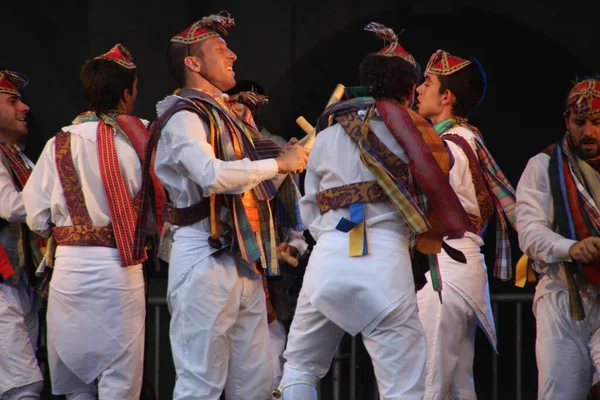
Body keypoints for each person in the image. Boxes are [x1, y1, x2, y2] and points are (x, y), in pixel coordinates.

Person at [276, 23, 471, 400]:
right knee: (404, 389)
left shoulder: (330, 133)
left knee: (299, 367)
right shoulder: (414, 135)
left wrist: (338, 231)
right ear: (411, 91)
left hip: (328, 261)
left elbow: (309, 205)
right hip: (384, 266)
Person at [134, 13, 309, 399]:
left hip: (244, 261)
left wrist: (288, 160)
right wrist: (279, 163)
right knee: (201, 383)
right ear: (193, 64)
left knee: (257, 385)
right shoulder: (182, 116)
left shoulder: (228, 118)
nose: (232, 55)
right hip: (203, 258)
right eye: (220, 49)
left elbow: (250, 187)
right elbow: (211, 175)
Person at [23, 44, 156, 399]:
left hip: (71, 273)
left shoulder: (58, 143)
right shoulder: (143, 138)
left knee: (78, 384)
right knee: (120, 381)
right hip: (120, 271)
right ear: (127, 94)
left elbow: (36, 217)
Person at [414, 49, 517, 399]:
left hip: (443, 268)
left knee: (426, 381)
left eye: (427, 83)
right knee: (457, 385)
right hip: (461, 267)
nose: (417, 89)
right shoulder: (466, 139)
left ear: (446, 96)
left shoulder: (447, 147)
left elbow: (419, 204)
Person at [515, 77, 600, 399]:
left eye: (596, 123)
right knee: (560, 393)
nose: (588, 132)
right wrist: (573, 248)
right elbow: (530, 232)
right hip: (563, 297)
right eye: (580, 123)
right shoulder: (544, 166)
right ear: (567, 120)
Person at [0, 70, 45, 400]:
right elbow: (11, 207)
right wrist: (62, 197)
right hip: (2, 285)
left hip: (18, 283)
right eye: (12, 100)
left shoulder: (18, 156)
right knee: (23, 386)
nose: (25, 107)